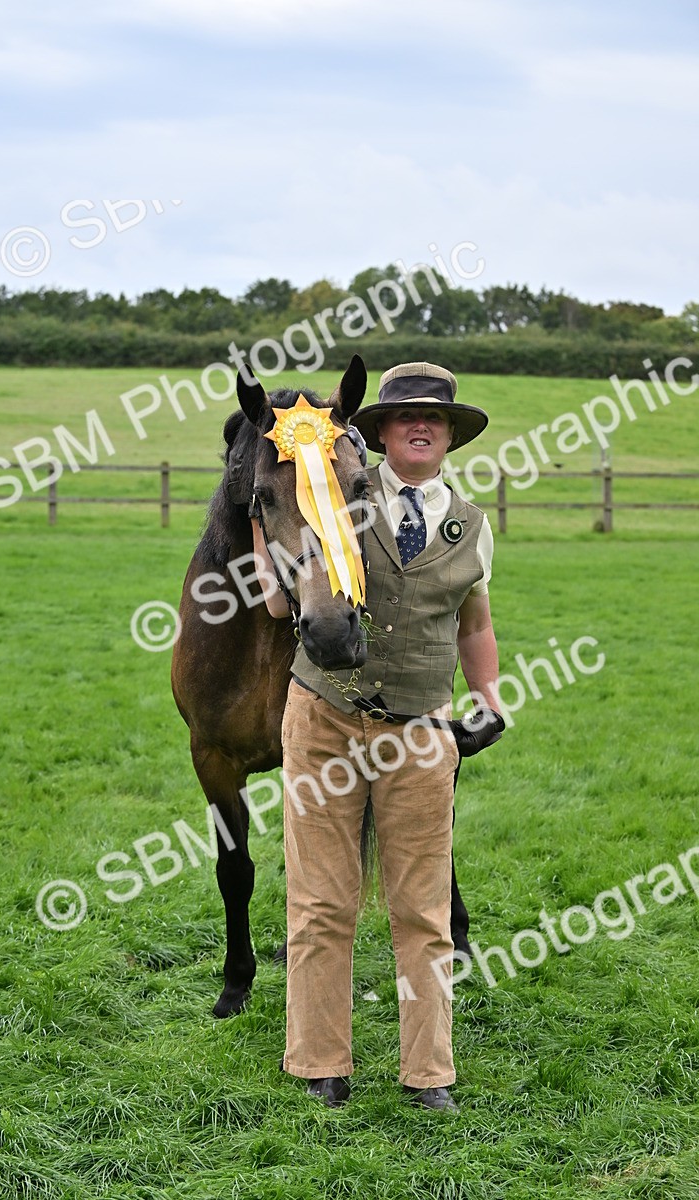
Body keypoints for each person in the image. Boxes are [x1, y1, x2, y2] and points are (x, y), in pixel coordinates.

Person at [254, 361, 504, 1111]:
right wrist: (265, 531)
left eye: (436, 418)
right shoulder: (330, 493)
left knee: (423, 912)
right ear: (381, 433)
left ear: (451, 436)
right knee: (321, 903)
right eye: (404, 416)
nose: (421, 426)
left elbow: (475, 622)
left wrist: (489, 696)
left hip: (423, 733)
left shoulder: (473, 525)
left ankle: (429, 1075)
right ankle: (320, 1064)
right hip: (325, 719)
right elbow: (278, 604)